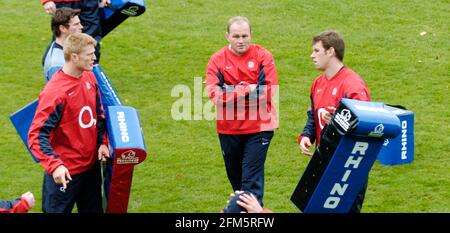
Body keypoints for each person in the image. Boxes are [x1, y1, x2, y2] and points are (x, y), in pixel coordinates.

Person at [28, 33, 109, 213]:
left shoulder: (89, 77)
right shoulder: (56, 93)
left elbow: (98, 113)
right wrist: (55, 165)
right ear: (74, 57)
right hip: (65, 172)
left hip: (90, 168)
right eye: (89, 54)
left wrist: (102, 143)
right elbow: (36, 135)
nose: (94, 57)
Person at [206, 16, 278, 207]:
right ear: (227, 36)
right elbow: (215, 96)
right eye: (236, 36)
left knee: (250, 185)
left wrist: (230, 92)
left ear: (251, 35)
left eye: (245, 36)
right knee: (238, 185)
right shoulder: (216, 61)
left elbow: (267, 92)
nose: (241, 40)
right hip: (228, 130)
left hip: (259, 128)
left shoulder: (264, 57)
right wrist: (245, 88)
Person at [297, 30, 371, 213]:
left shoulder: (352, 85)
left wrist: (338, 121)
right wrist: (307, 135)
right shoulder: (318, 83)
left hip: (348, 165)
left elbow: (365, 126)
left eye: (316, 50)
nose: (311, 55)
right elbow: (313, 115)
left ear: (330, 52)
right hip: (323, 160)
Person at [40, 0, 110, 63]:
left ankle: (89, 74)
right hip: (64, 2)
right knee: (63, 38)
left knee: (91, 41)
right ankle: (55, 72)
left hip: (90, 3)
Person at [42, 7, 83, 82]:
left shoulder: (70, 49)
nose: (81, 27)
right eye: (76, 24)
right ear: (63, 28)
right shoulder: (56, 64)